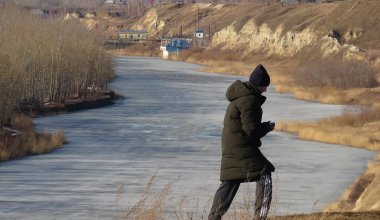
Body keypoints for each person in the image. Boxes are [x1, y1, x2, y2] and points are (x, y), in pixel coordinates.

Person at [208, 64, 275, 220]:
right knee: (265, 174)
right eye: (264, 86)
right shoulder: (249, 101)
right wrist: (267, 127)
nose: (265, 90)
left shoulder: (239, 97)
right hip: (241, 147)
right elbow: (251, 130)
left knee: (230, 181)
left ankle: (213, 217)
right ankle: (260, 217)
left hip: (231, 146)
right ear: (259, 85)